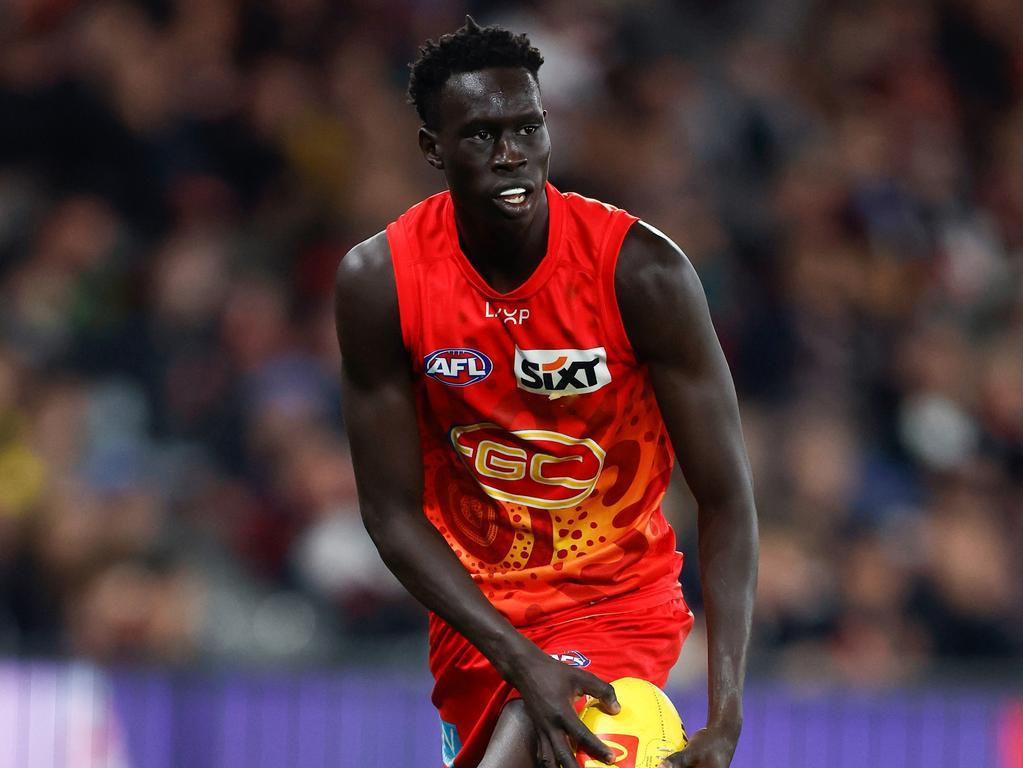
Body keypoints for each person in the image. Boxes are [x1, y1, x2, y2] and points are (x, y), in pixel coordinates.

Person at [334, 17, 758, 768]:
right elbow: (390, 514)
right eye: (481, 136)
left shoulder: (641, 274)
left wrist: (724, 713)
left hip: (616, 599)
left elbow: (725, 497)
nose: (512, 157)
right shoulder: (381, 283)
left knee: (527, 745)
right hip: (474, 616)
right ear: (433, 149)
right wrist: (514, 655)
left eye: (528, 127)